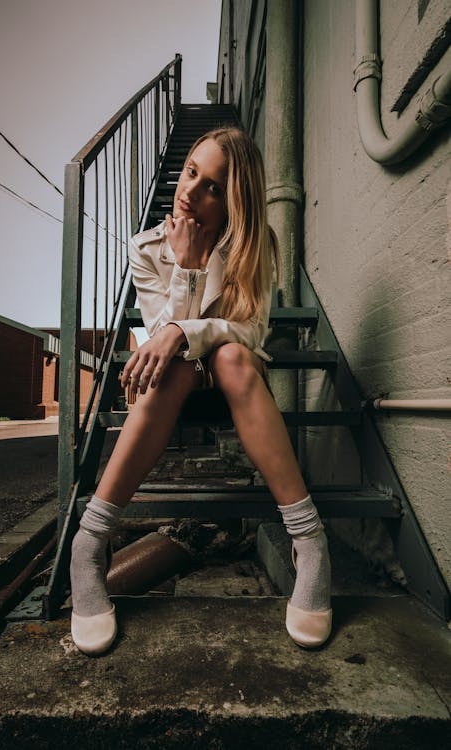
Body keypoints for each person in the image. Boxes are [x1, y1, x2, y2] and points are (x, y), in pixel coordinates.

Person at [69, 126, 332, 655]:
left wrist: (182, 332)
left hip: (236, 382)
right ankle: (90, 541)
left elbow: (252, 333)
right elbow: (155, 339)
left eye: (213, 185)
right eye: (191, 172)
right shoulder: (147, 248)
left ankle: (310, 541)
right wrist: (186, 271)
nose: (191, 190)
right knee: (174, 368)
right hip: (175, 384)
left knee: (233, 356)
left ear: (234, 201)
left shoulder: (252, 246)